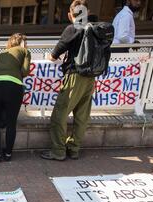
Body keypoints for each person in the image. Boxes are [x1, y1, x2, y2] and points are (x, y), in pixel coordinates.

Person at [41, 0, 95, 161]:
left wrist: (50, 57)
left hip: (75, 76)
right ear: (87, 12)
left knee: (59, 115)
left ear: (70, 15)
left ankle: (58, 151)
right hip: (90, 77)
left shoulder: (73, 28)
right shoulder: (94, 28)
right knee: (81, 116)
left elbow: (54, 54)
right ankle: (74, 149)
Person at [0, 34, 31, 163]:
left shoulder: (1, 53)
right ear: (23, 43)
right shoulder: (25, 51)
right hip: (14, 87)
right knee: (11, 123)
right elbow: (25, 72)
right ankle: (8, 154)